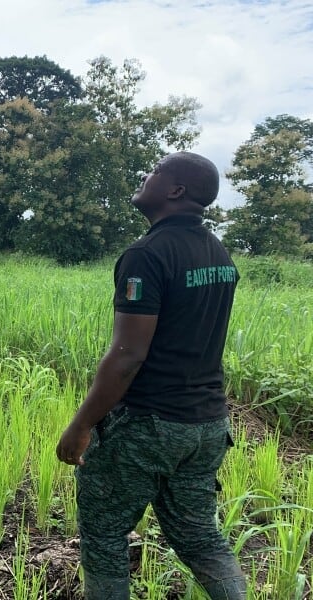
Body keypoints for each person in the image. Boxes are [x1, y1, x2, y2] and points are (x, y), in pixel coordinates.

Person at [55, 152, 245, 600]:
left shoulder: (147, 254)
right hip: (207, 425)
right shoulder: (216, 250)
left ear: (176, 191)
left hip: (148, 424)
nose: (145, 175)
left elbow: (127, 356)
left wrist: (81, 426)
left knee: (104, 536)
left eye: (156, 171)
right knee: (200, 536)